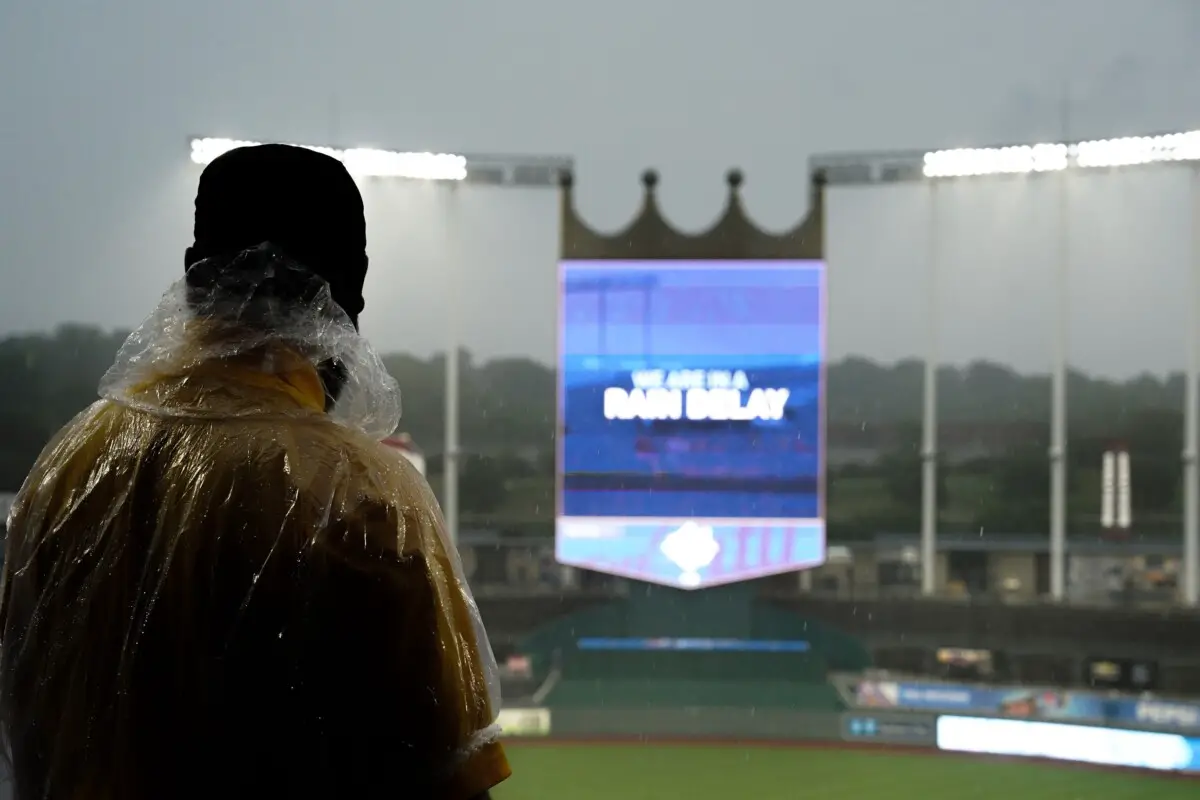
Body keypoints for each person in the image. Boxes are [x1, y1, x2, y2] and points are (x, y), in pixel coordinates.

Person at [0, 144, 510, 799]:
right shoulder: (362, 496)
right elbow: (446, 776)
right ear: (351, 290)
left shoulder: (66, 470)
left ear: (193, 275)